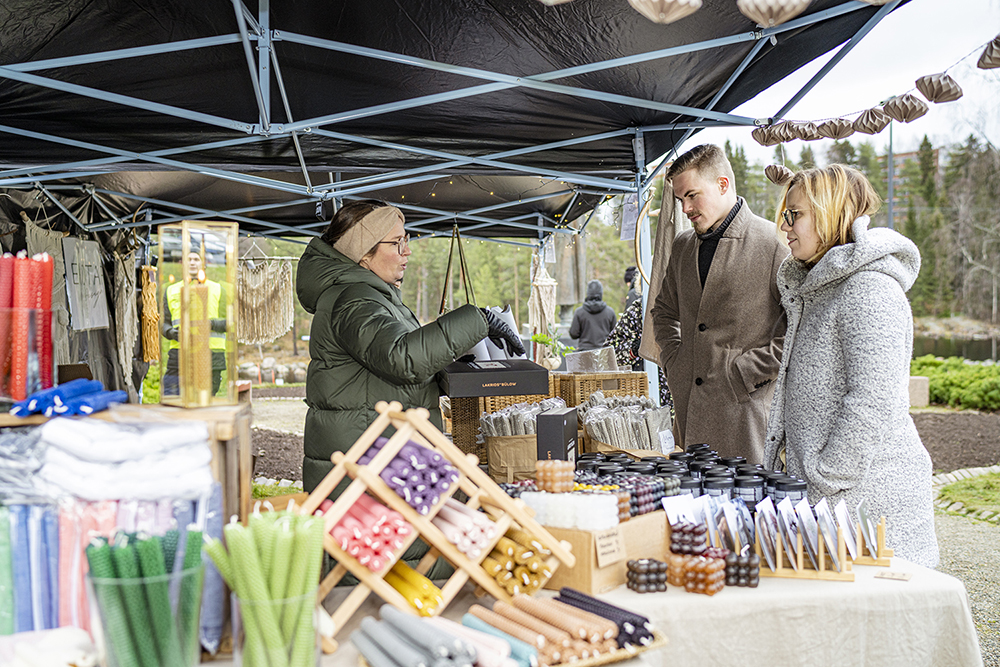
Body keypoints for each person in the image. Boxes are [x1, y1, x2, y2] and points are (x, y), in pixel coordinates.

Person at [763, 165, 938, 567]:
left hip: (871, 507)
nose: (786, 227)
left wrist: (827, 475)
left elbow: (872, 401)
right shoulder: (818, 288)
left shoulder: (869, 288)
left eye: (796, 214)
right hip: (834, 506)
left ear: (830, 213)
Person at [296, 199, 523, 496]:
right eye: (397, 242)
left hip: (380, 454)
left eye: (407, 239)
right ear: (364, 253)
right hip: (366, 465)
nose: (408, 250)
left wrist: (449, 366)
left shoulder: (371, 295)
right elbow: (401, 358)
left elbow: (389, 366)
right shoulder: (355, 300)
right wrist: (478, 319)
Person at [651, 144, 788, 462]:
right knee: (694, 507)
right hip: (690, 411)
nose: (685, 209)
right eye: (680, 199)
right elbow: (664, 312)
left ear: (723, 184)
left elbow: (801, 327)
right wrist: (676, 361)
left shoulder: (772, 242)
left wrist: (749, 372)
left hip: (744, 414)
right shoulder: (683, 245)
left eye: (692, 195)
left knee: (748, 505)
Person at [161, 250, 227, 397]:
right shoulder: (170, 290)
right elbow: (163, 323)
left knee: (203, 403)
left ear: (204, 264)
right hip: (179, 355)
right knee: (172, 398)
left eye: (196, 259)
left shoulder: (218, 289)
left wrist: (210, 324)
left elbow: (232, 322)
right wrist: (171, 333)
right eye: (188, 259)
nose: (192, 262)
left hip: (211, 356)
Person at [604, 297, 672, 411]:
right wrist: (635, 348)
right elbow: (609, 355)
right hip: (646, 403)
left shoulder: (690, 307)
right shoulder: (639, 311)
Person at [569, 279, 616, 351]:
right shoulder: (610, 312)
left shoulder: (579, 312)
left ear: (588, 293)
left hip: (584, 352)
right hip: (604, 351)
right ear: (601, 293)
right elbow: (615, 334)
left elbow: (573, 334)